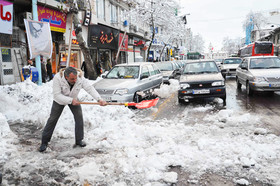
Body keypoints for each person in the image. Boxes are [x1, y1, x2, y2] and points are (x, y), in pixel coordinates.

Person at [38, 67, 107, 152]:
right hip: (60, 100)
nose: (75, 80)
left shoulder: (80, 78)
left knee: (79, 117)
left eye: (75, 78)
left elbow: (89, 88)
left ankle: (79, 140)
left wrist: (99, 99)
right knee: (52, 119)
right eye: (72, 79)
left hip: (73, 98)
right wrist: (70, 101)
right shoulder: (57, 78)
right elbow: (57, 95)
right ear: (66, 77)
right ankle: (44, 142)